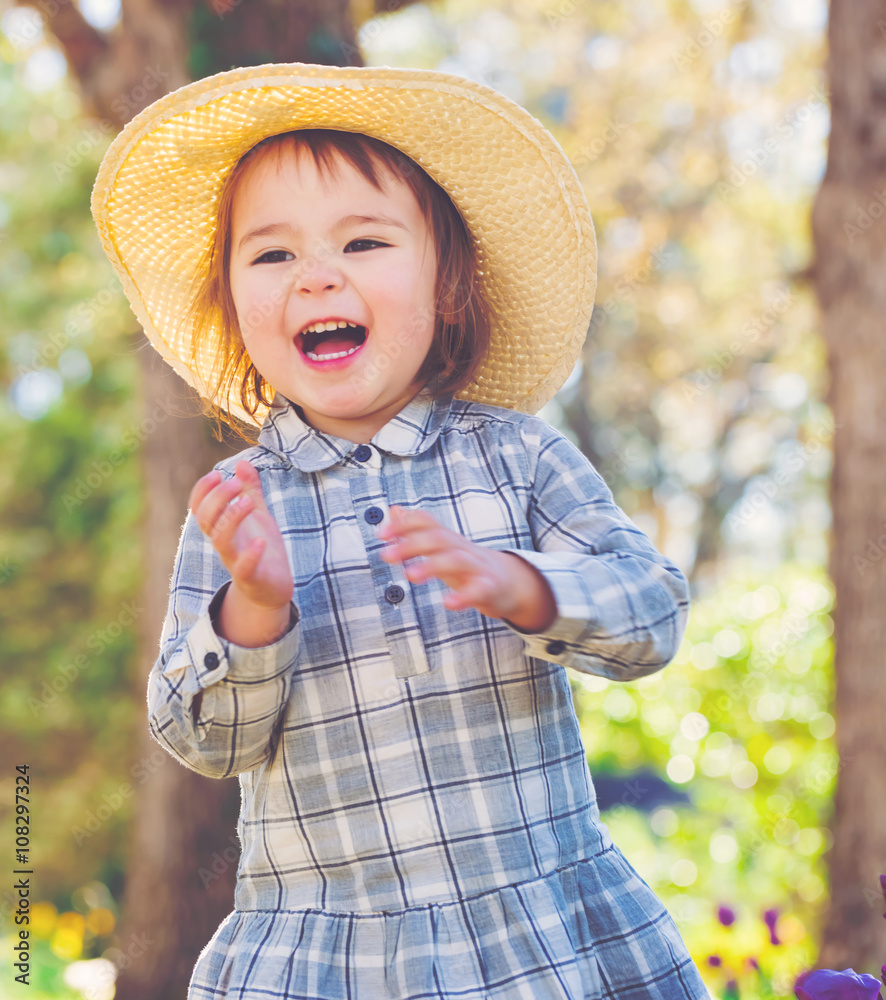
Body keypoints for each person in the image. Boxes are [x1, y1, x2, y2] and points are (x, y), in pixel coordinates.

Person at [91, 62, 709, 1000]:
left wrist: (522, 584)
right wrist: (255, 606)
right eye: (272, 256)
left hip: (535, 935)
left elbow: (652, 614)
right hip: (329, 955)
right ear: (234, 311)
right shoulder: (236, 506)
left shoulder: (517, 459)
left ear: (449, 285)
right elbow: (203, 739)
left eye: (365, 241)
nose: (318, 275)